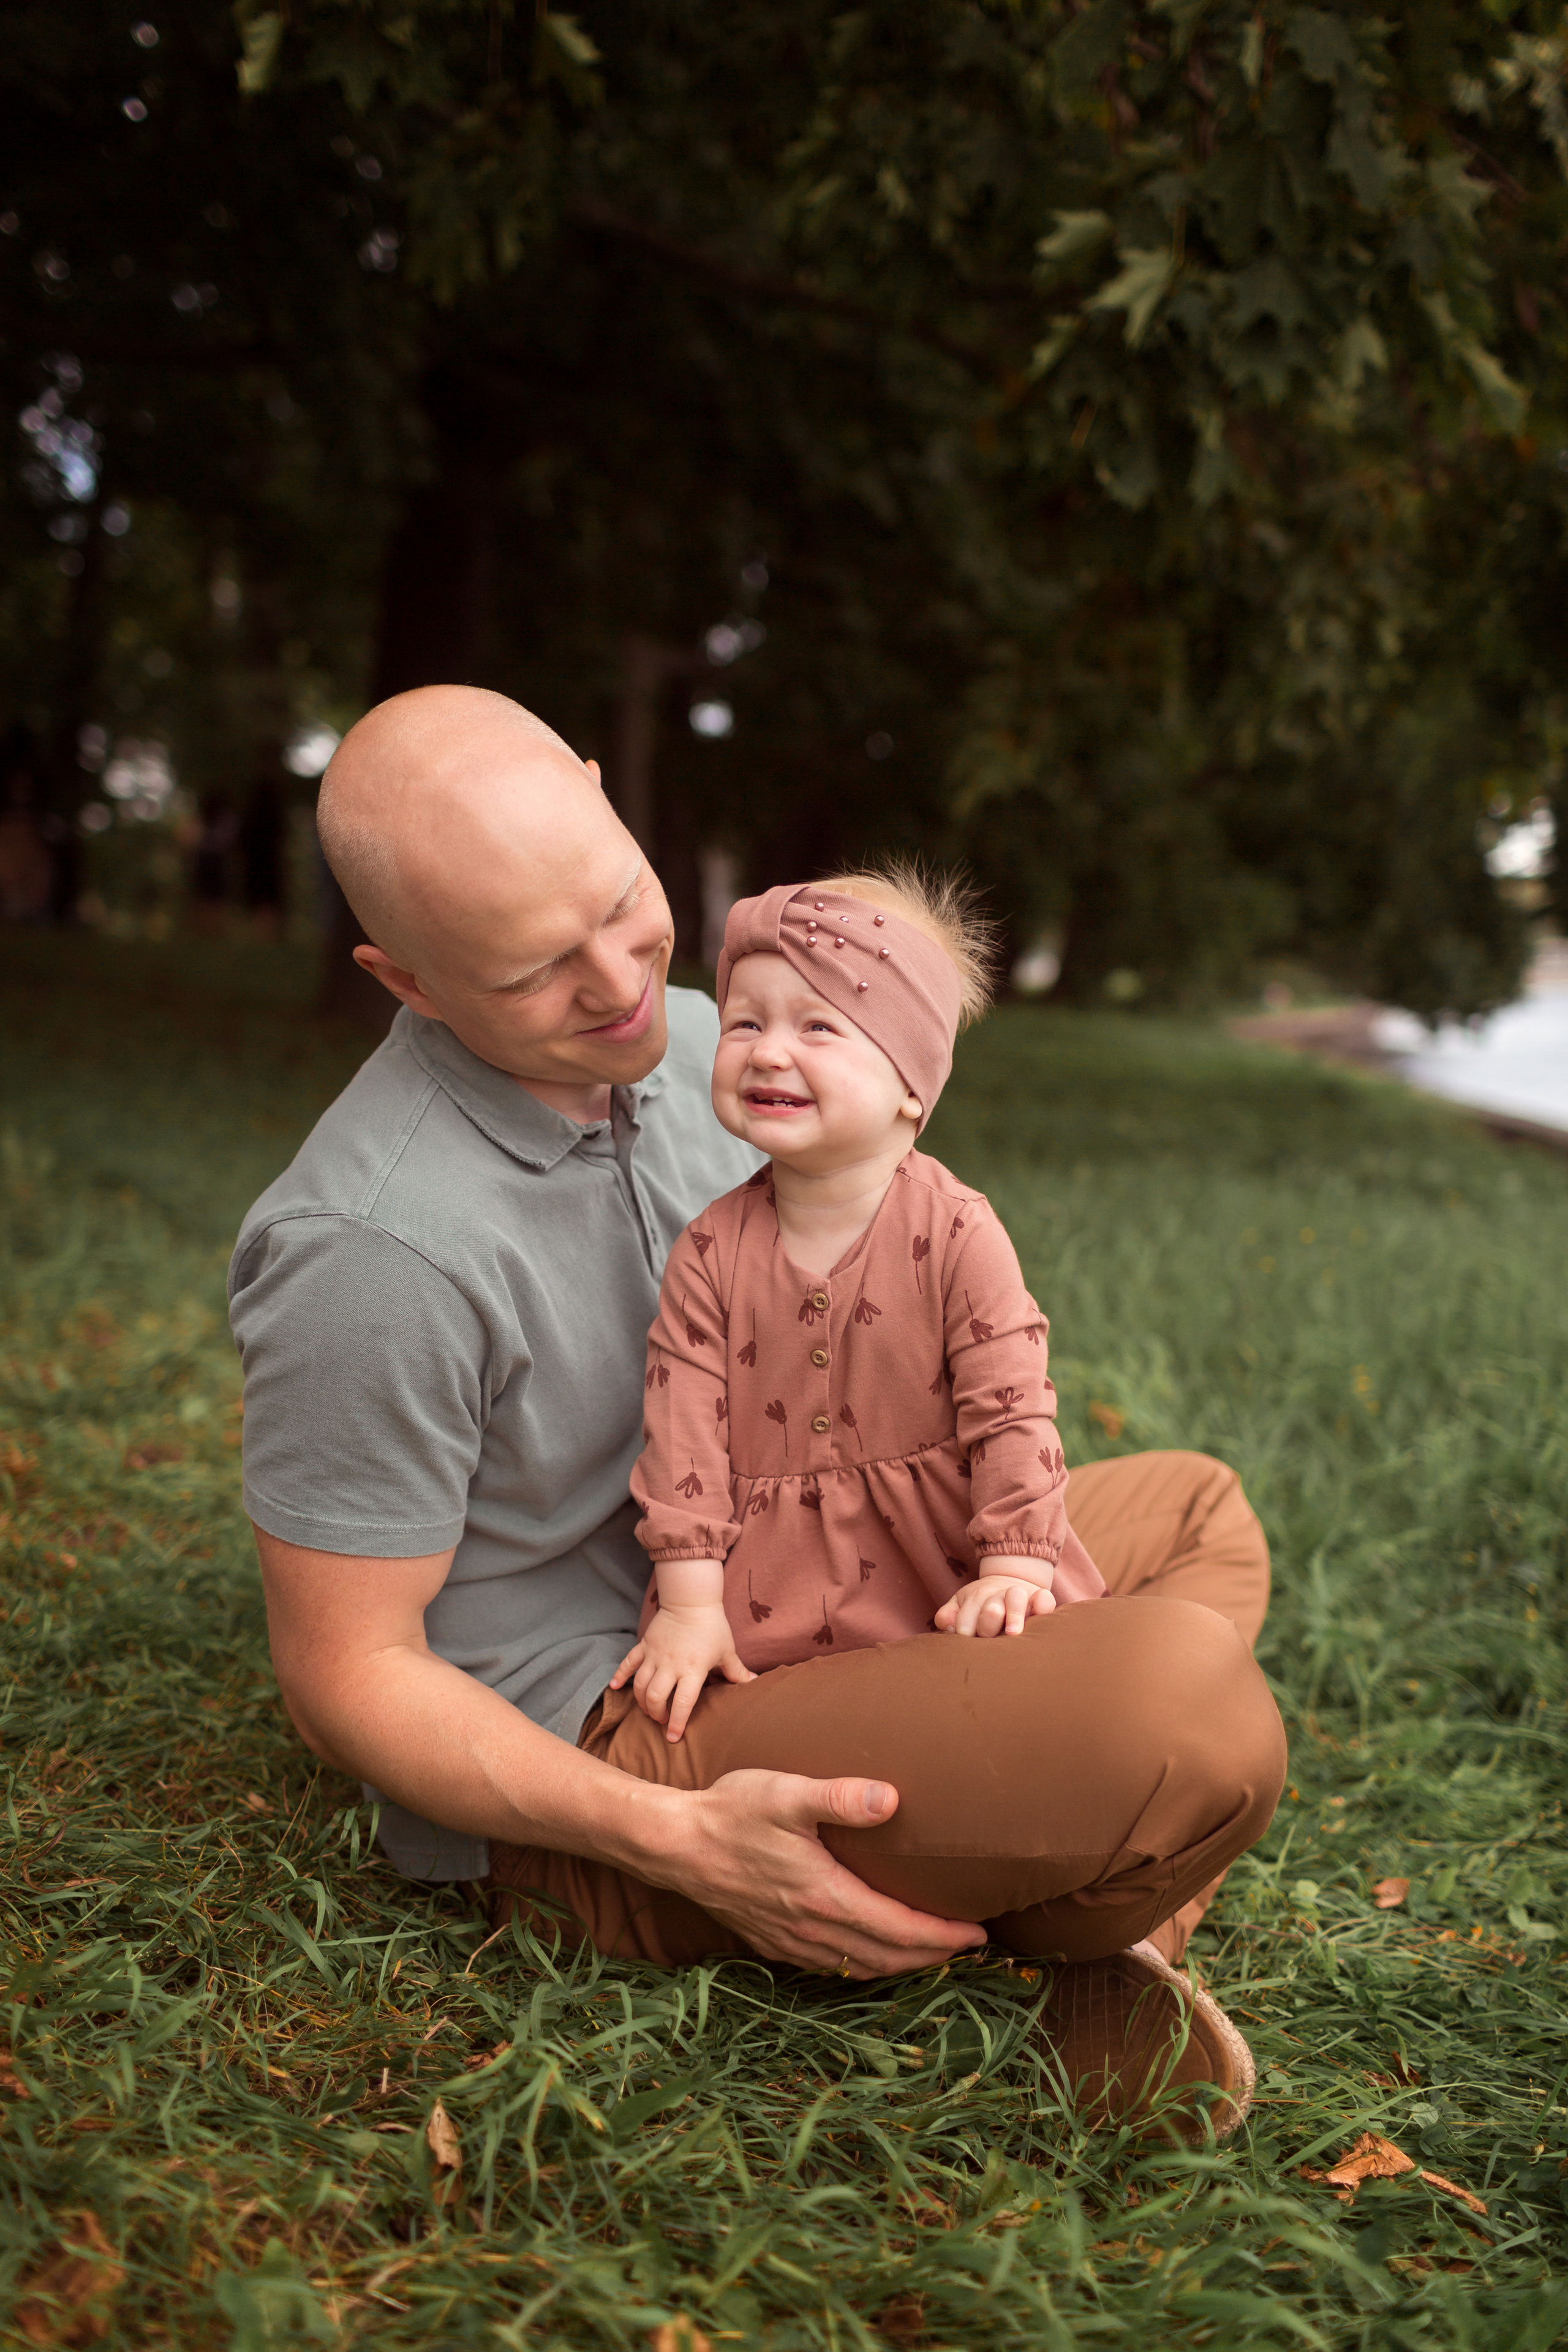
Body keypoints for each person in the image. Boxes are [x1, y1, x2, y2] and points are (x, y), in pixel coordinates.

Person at [234, 684, 1286, 2140]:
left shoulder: (698, 1043)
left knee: (1194, 1512)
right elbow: (342, 1675)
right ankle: (1021, 1863)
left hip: (798, 1576)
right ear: (403, 980)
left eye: (620, 902)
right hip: (622, 1714)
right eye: (533, 971)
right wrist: (676, 1839)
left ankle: (1098, 1927)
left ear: (602, 790)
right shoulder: (369, 1248)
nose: (616, 984)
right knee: (1181, 1711)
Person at [614, 868, 1104, 1745]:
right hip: (767, 1605)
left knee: (1047, 1714)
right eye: (745, 1023)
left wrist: (1013, 1566)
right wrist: (689, 1608)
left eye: (817, 1027)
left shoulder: (957, 1232)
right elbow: (684, 1447)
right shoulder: (710, 1253)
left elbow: (1010, 1410)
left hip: (948, 1578)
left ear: (911, 1081)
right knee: (753, 1730)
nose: (769, 1052)